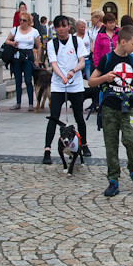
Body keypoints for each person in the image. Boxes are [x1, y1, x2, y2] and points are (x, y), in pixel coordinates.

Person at [88, 25, 133, 197]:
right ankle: (113, 180)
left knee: (130, 140)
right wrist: (104, 78)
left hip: (128, 109)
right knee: (111, 145)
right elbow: (91, 82)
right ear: (122, 41)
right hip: (110, 108)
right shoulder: (107, 59)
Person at [42, 15, 92, 164]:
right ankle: (47, 149)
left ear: (68, 27)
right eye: (58, 27)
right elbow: (54, 63)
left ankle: (84, 145)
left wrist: (73, 71)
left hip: (75, 85)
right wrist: (62, 76)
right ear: (55, 28)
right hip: (58, 84)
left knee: (79, 117)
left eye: (64, 26)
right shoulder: (52, 44)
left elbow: (82, 62)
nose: (61, 29)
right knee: (54, 117)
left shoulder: (76, 41)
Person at [6, 11, 41, 110]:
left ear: (29, 21)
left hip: (28, 56)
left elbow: (39, 46)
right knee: (18, 80)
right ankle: (18, 103)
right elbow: (7, 40)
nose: (22, 22)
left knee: (28, 80)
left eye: (24, 20)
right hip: (17, 56)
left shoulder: (34, 31)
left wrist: (37, 60)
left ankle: (30, 103)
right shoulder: (15, 30)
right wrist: (13, 43)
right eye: (20, 20)